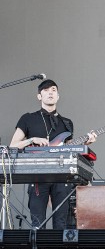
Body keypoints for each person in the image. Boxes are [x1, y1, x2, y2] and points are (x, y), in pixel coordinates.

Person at [10, 79, 97, 229]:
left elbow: (67, 148)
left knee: (61, 223)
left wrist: (85, 143)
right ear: (39, 96)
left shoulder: (67, 123)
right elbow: (13, 145)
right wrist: (32, 139)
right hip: (37, 175)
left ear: (58, 96)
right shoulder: (28, 118)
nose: (50, 92)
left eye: (54, 90)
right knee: (38, 223)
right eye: (45, 90)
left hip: (61, 176)